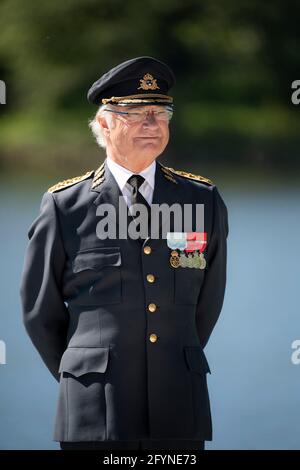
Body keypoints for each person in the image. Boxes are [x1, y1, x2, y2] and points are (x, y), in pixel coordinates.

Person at [20, 56, 229, 451]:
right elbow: (39, 311)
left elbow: (208, 302)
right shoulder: (65, 205)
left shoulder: (202, 199)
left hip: (179, 409)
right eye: (135, 113)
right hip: (93, 413)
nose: (152, 124)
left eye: (160, 113)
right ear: (103, 123)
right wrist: (81, 376)